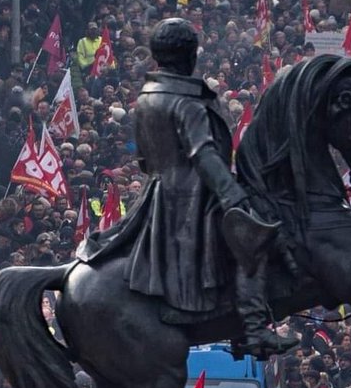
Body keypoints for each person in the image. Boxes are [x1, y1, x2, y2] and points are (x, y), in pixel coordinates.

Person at [82, 18, 297, 358]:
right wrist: (233, 196)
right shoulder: (187, 102)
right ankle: (254, 329)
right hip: (193, 197)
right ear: (189, 56)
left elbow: (144, 161)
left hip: (157, 194)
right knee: (251, 235)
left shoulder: (148, 97)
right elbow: (205, 155)